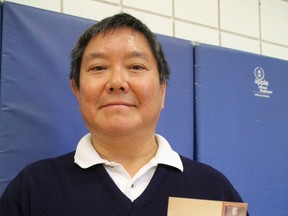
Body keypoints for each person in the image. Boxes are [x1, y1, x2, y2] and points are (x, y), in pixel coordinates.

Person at [0, 13, 248, 215]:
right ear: (77, 90)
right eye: (98, 67)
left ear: (162, 91)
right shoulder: (32, 189)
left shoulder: (213, 189)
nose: (117, 82)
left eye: (136, 66)